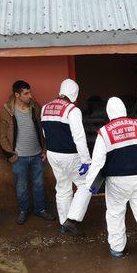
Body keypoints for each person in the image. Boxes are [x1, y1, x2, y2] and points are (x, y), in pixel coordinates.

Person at [83, 97, 137, 266]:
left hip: (117, 182)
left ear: (109, 113)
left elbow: (98, 161)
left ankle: (117, 248)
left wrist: (89, 183)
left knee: (115, 214)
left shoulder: (105, 132)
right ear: (124, 110)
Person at [0, 80, 55, 225]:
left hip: (37, 155)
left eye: (30, 92)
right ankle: (23, 211)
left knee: (39, 184)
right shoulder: (7, 111)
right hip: (19, 158)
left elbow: (44, 129)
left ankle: (40, 209)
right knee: (21, 186)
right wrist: (11, 155)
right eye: (26, 93)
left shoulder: (35, 107)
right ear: (17, 95)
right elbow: (2, 136)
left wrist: (44, 149)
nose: (30, 95)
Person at [41, 79, 92, 235]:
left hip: (52, 154)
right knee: (86, 185)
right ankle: (72, 218)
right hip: (70, 155)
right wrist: (86, 160)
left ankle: (63, 224)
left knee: (62, 188)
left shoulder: (45, 108)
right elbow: (79, 137)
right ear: (75, 94)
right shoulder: (72, 110)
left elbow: (45, 133)